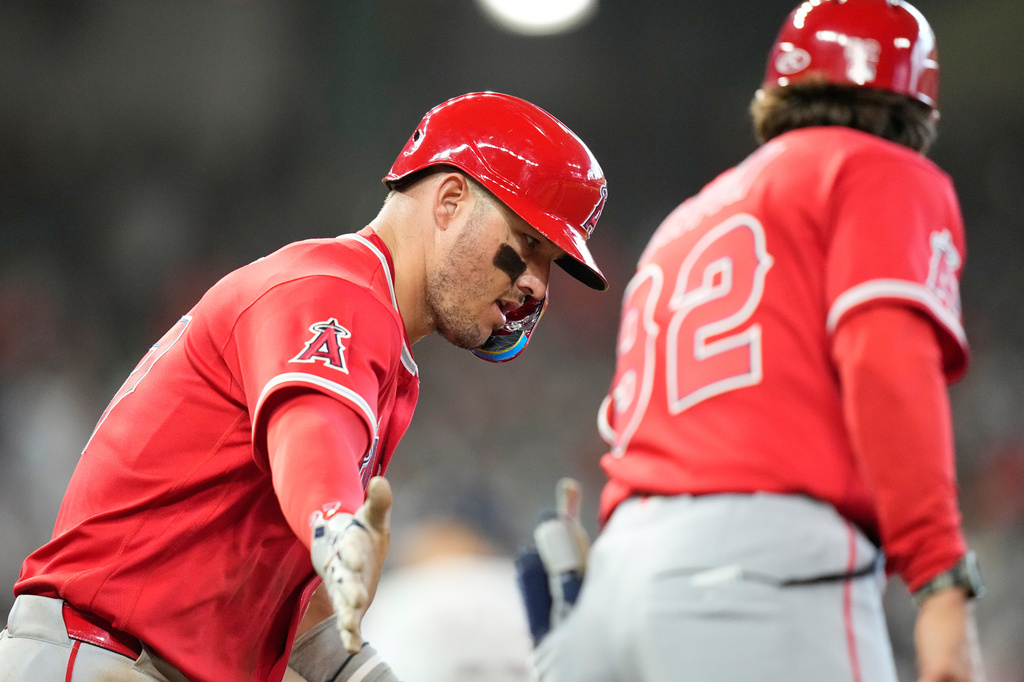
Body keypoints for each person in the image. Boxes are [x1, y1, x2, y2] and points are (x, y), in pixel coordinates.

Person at [0, 91, 610, 682]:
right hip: (104, 651)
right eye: (529, 244)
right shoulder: (338, 289)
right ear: (449, 200)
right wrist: (335, 523)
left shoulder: (373, 333)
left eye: (552, 262)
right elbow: (309, 431)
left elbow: (302, 618)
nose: (538, 286)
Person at [527, 2, 986, 681]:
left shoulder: (684, 222)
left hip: (614, 588)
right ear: (915, 108)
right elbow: (885, 360)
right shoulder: (875, 169)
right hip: (762, 572)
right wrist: (941, 579)